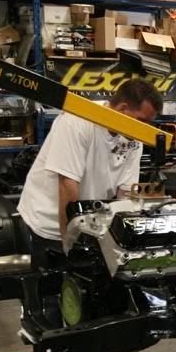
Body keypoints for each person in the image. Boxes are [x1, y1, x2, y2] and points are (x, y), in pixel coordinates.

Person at [18, 79, 163, 267]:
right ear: (122, 108)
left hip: (90, 226)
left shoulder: (134, 137)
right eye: (141, 121)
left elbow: (125, 194)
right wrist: (72, 247)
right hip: (50, 225)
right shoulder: (78, 120)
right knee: (58, 281)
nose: (144, 129)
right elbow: (67, 187)